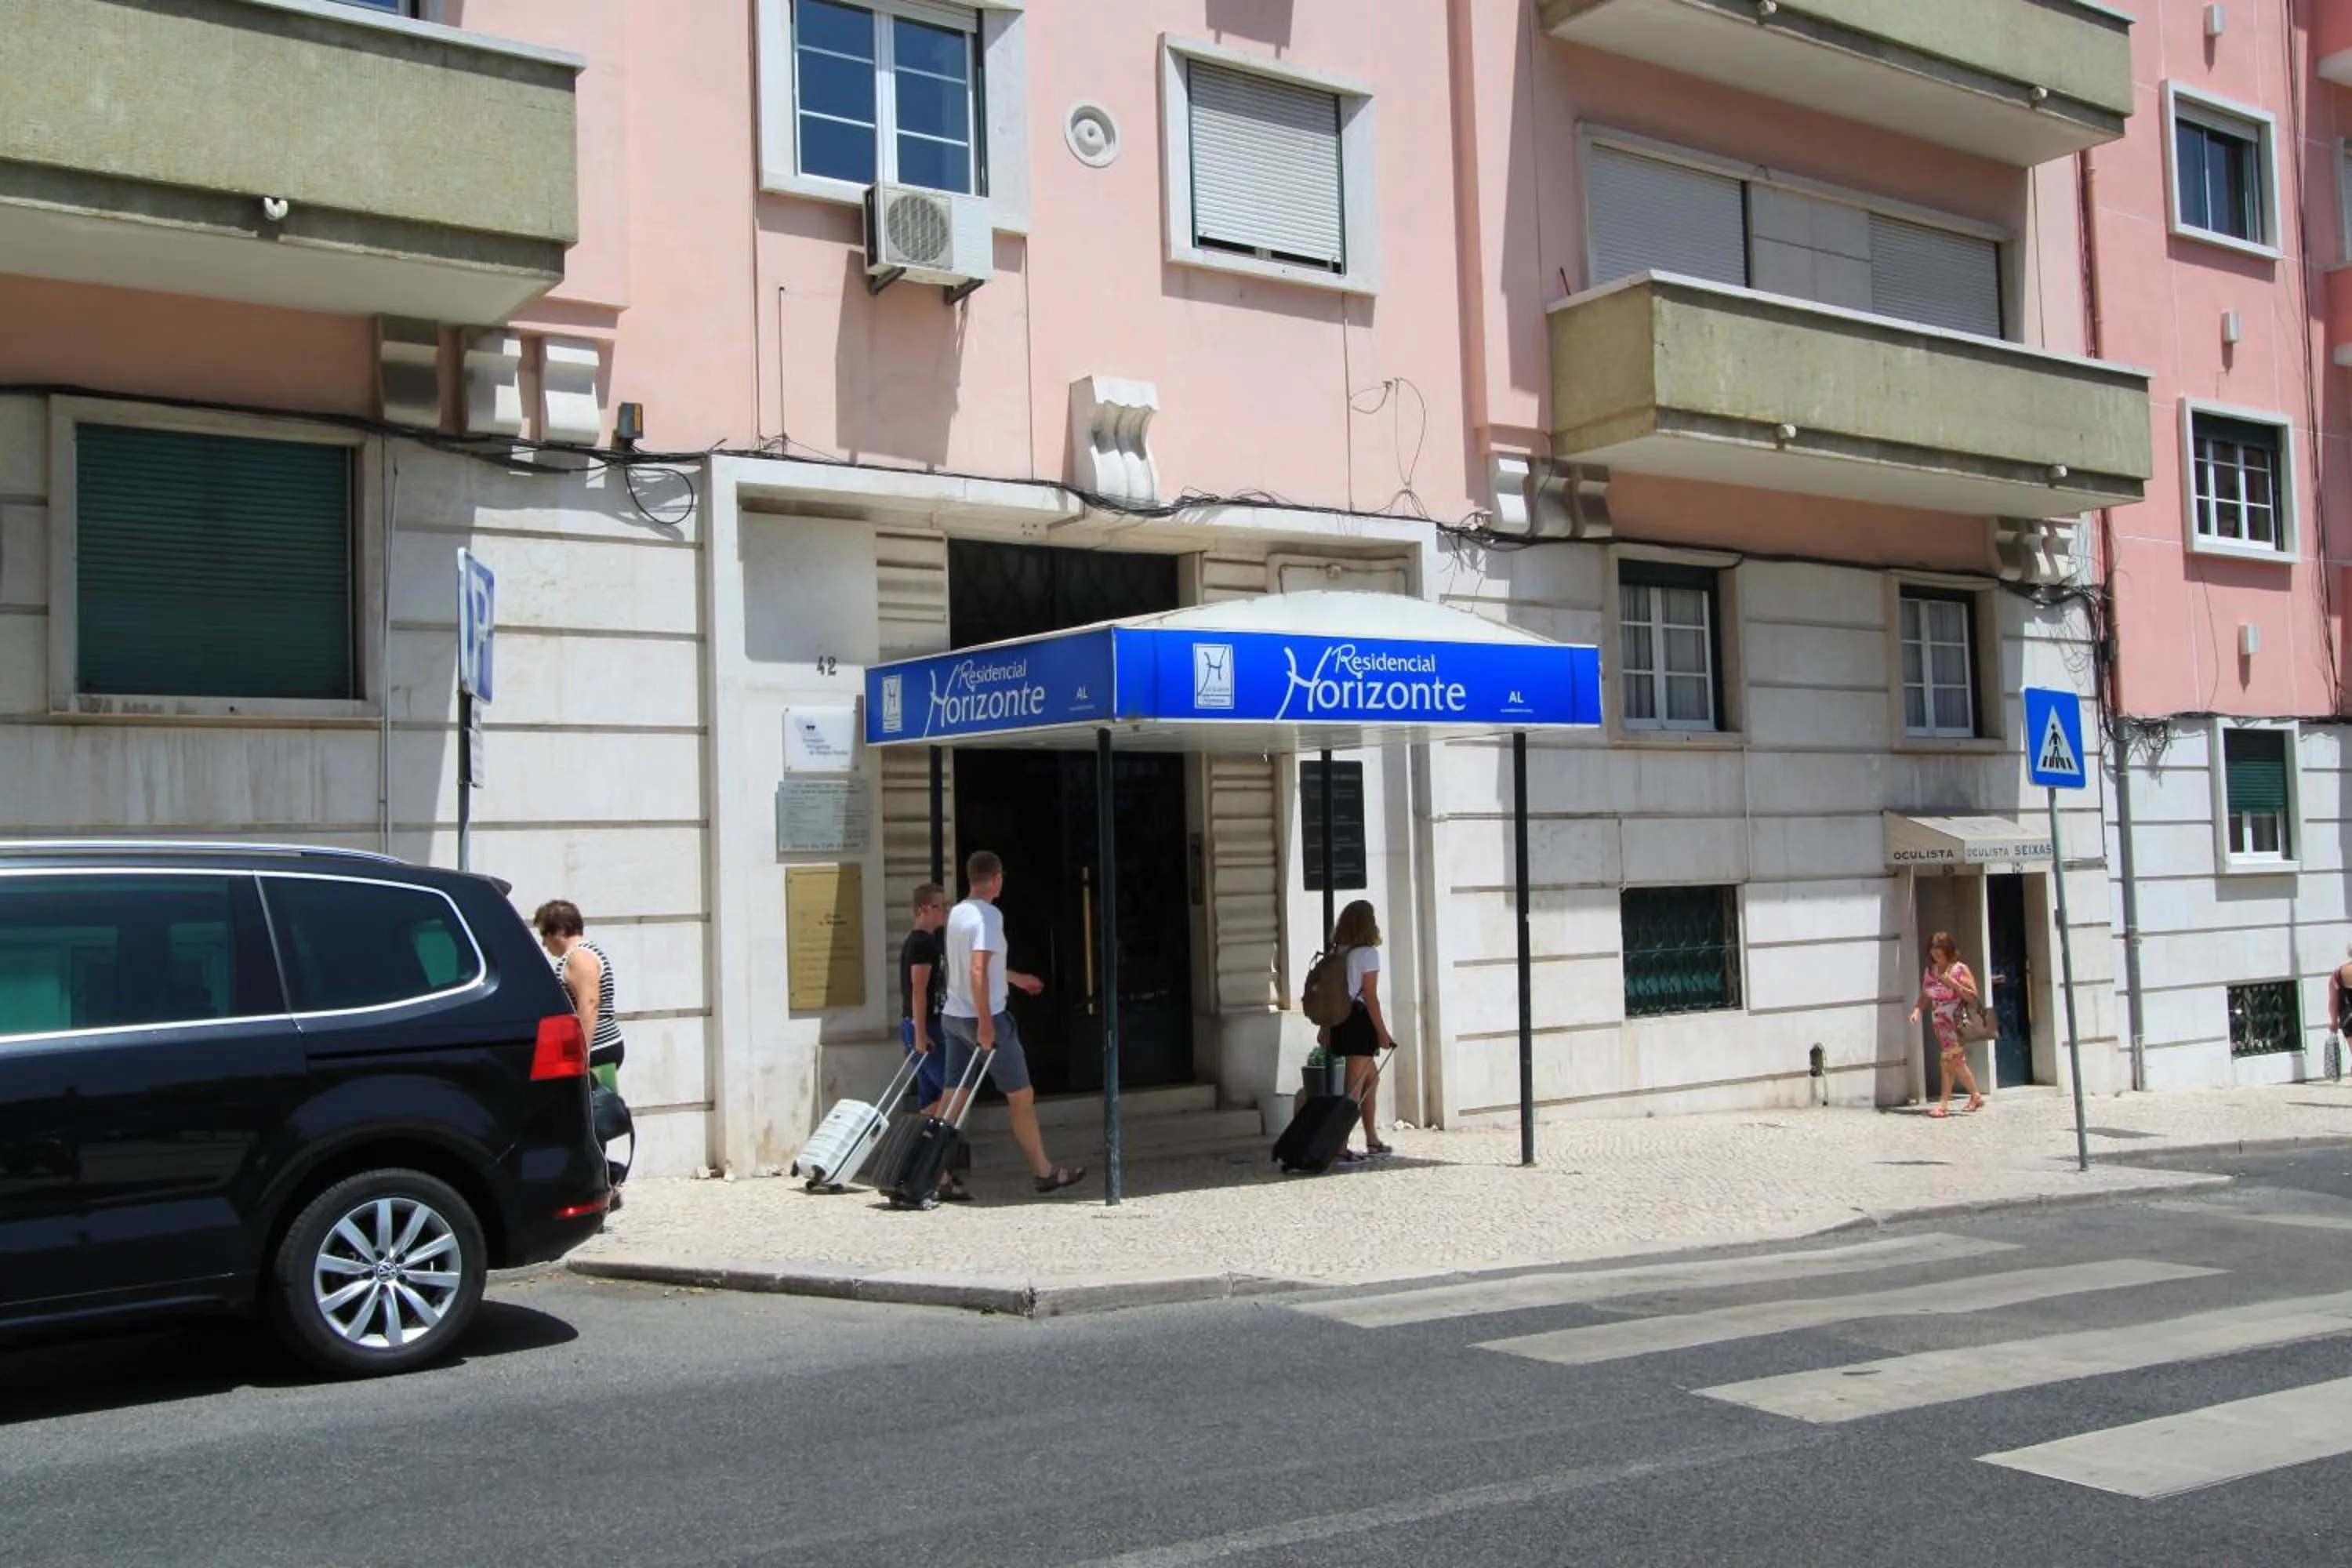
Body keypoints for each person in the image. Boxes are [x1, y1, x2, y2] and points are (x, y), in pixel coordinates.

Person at [938, 851, 1086, 1195]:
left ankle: (935, 1171)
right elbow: (977, 969)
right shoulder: (989, 916)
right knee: (1021, 1095)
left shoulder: (957, 913)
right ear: (997, 878)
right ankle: (1043, 1170)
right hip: (984, 1016)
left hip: (954, 1016)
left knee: (953, 1097)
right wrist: (987, 1023)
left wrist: (1016, 979)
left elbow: (973, 968)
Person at [535, 899, 628, 1209]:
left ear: (559, 930)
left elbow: (589, 1005)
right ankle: (601, 1187)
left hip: (596, 1050)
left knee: (590, 1123)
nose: (544, 943)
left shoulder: (578, 958)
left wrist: (580, 1052)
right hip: (601, 1047)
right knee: (591, 1121)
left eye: (545, 935)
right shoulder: (588, 953)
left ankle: (601, 1190)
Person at [898, 882, 968, 1203]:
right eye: (940, 906)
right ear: (924, 909)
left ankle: (930, 1166)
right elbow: (918, 989)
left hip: (924, 1026)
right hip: (927, 1028)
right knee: (951, 1097)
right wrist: (922, 1031)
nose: (945, 911)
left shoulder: (926, 943)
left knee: (933, 1101)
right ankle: (925, 1160)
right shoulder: (922, 944)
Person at [1325, 898, 1397, 1160]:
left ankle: (1372, 1139)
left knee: (1370, 1080)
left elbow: (1330, 996)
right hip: (1360, 1022)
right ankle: (1340, 1146)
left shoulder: (1339, 953)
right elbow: (1371, 997)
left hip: (1341, 1021)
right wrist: (1382, 1032)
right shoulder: (1367, 954)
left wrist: (1326, 1028)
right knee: (1354, 1088)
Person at [1908, 930, 1985, 1119]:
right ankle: (1975, 1096)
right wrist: (1917, 1009)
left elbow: (1973, 995)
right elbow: (1926, 994)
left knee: (1947, 1061)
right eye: (1933, 950)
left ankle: (1943, 1104)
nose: (1936, 954)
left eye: (1939, 949)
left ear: (1948, 949)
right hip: (1939, 1023)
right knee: (1957, 1062)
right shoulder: (1931, 971)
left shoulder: (1959, 969)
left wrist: (1953, 983)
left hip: (1956, 1022)